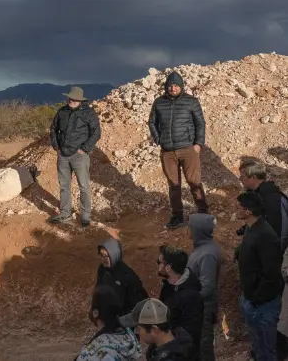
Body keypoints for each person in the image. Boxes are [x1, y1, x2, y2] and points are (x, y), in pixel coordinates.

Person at [148, 71, 208, 229]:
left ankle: (203, 212)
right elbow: (152, 122)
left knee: (194, 182)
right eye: (170, 85)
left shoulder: (191, 102)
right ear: (166, 87)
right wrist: (158, 139)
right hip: (168, 152)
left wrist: (198, 145)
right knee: (174, 186)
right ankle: (177, 216)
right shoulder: (159, 102)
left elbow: (200, 123)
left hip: (188, 149)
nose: (173, 88)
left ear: (181, 86)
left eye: (175, 85)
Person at [236, 191, 284, 361]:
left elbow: (271, 273)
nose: (236, 210)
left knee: (266, 350)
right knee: (258, 346)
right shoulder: (252, 228)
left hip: (263, 304)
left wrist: (257, 299)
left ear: (247, 211)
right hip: (253, 299)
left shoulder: (264, 234)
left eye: (239, 208)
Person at [49, 86, 101, 227]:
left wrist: (84, 149)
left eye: (74, 98)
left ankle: (85, 216)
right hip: (63, 155)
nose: (71, 100)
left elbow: (96, 133)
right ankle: (65, 213)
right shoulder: (62, 112)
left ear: (80, 100)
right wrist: (57, 147)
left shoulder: (88, 113)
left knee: (83, 186)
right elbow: (53, 129)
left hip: (79, 156)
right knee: (64, 186)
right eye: (70, 98)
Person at [186, 213, 221, 361]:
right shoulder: (201, 248)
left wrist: (188, 298)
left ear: (197, 230)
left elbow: (207, 288)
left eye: (190, 227)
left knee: (204, 347)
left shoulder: (207, 254)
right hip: (198, 306)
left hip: (204, 309)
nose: (187, 229)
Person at [75, 285, 143, 361]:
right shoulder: (129, 334)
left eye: (90, 305)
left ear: (95, 313)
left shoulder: (95, 352)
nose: (88, 308)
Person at [157, 245, 204, 351]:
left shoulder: (191, 297)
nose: (158, 266)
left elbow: (192, 334)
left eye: (159, 262)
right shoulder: (169, 286)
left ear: (168, 267)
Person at [120, 298, 198, 361]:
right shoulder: (180, 339)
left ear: (154, 329)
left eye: (138, 328)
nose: (137, 332)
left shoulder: (170, 357)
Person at [238, 157, 288, 253]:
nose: (240, 179)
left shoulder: (272, 200)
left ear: (253, 177)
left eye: (242, 176)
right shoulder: (257, 195)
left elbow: (279, 234)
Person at [96, 238, 149, 314]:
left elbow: (140, 303)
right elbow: (99, 288)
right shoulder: (102, 269)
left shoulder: (128, 277)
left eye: (107, 256)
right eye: (102, 255)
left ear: (115, 255)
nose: (104, 259)